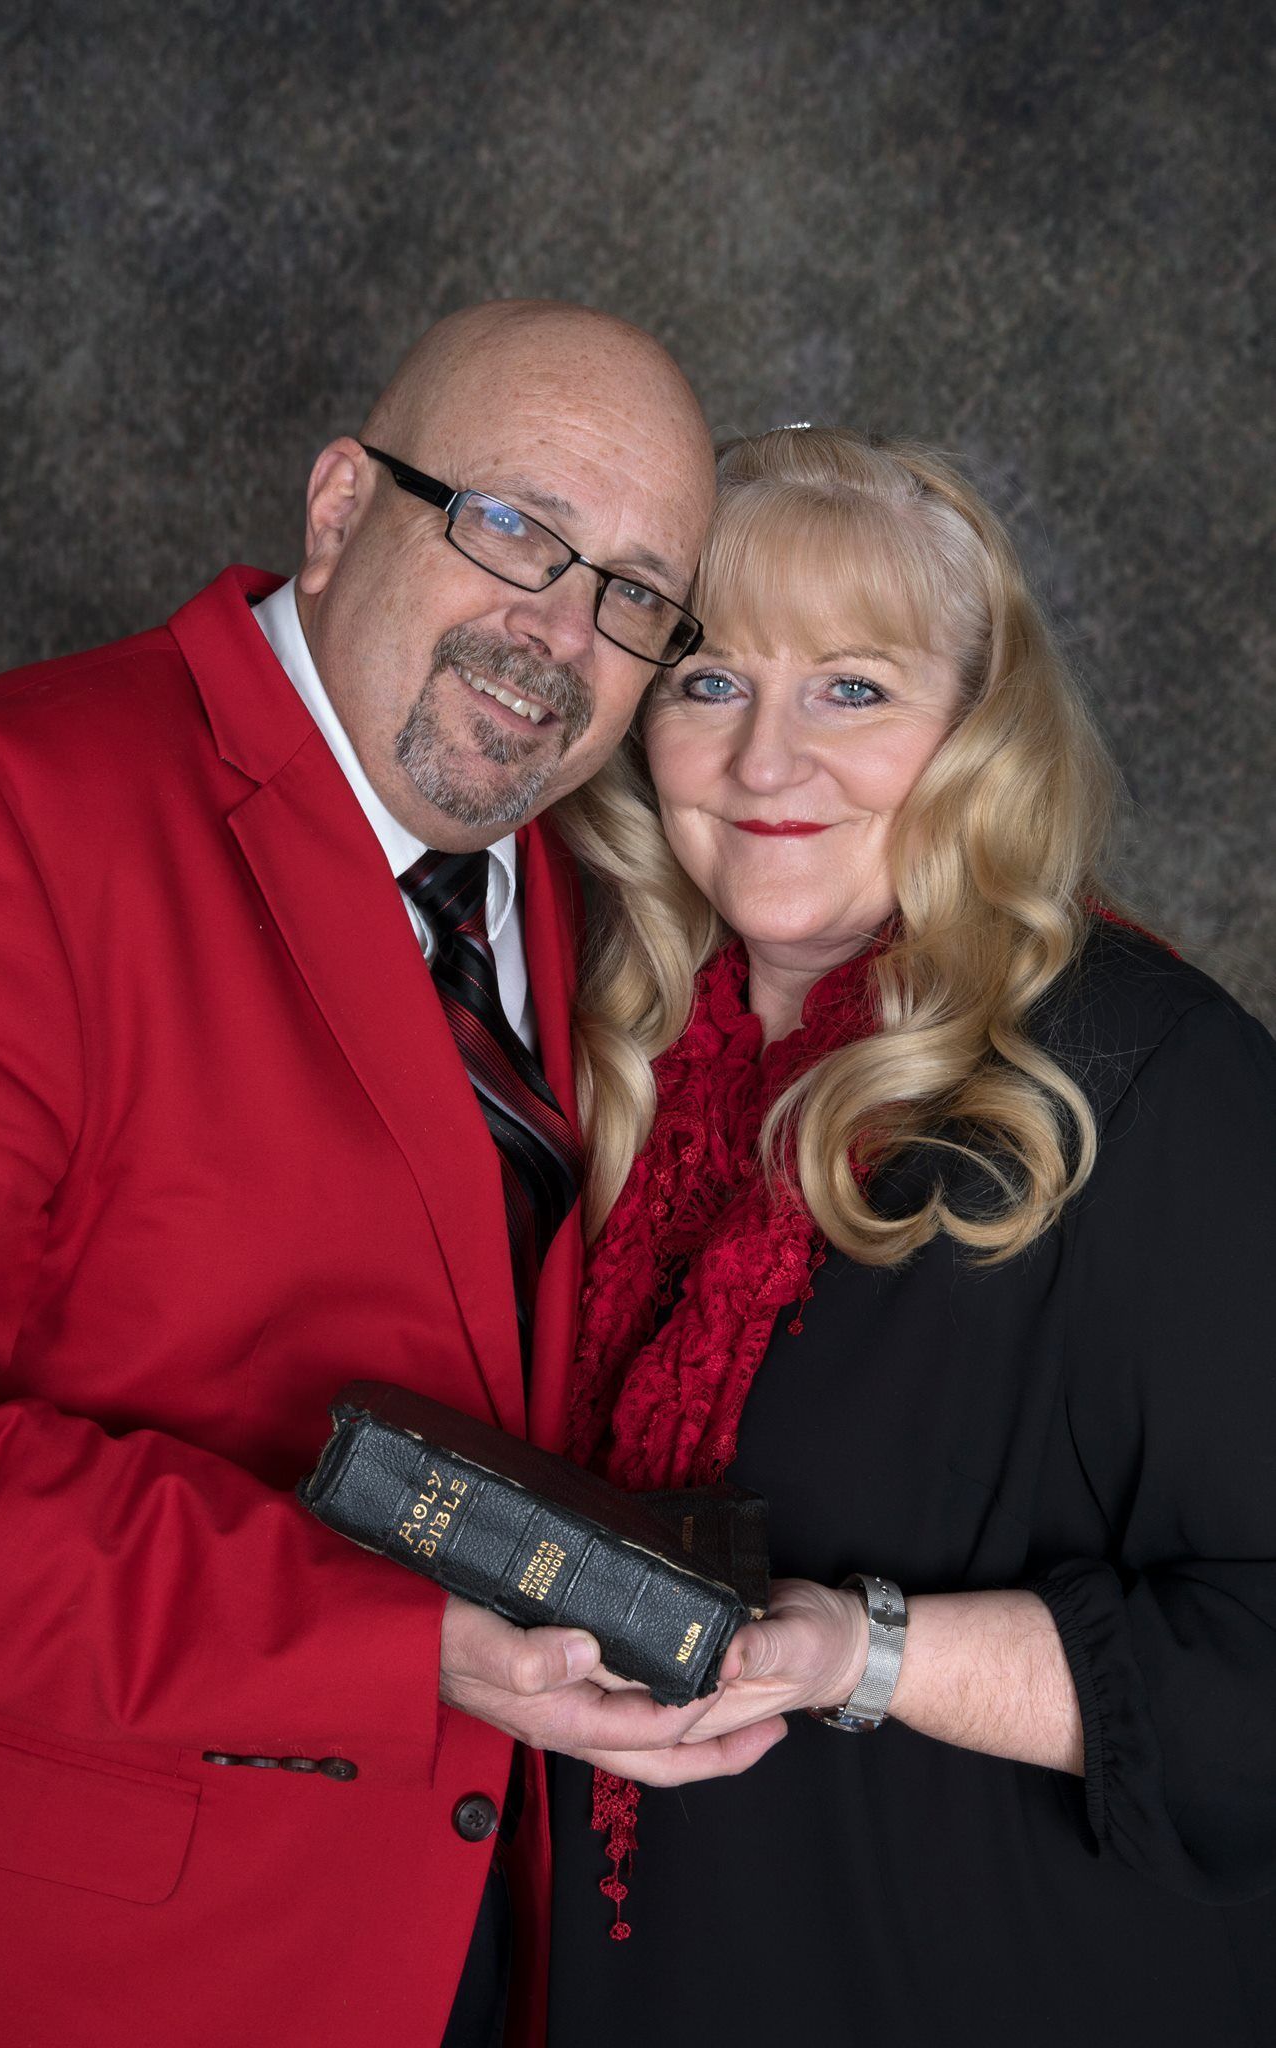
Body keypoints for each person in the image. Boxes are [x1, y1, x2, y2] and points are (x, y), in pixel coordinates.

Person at [0, 300, 779, 2048]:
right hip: (105, 1976)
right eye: (512, 525)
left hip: (473, 1954)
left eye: (631, 593)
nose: (556, 634)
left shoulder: (590, 898)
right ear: (336, 505)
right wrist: (402, 1649)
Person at [546, 424, 1276, 2045]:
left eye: (853, 688)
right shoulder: (598, 1056)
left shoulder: (1149, 1082)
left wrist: (855, 1652)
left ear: (975, 729)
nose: (764, 764)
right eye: (707, 681)